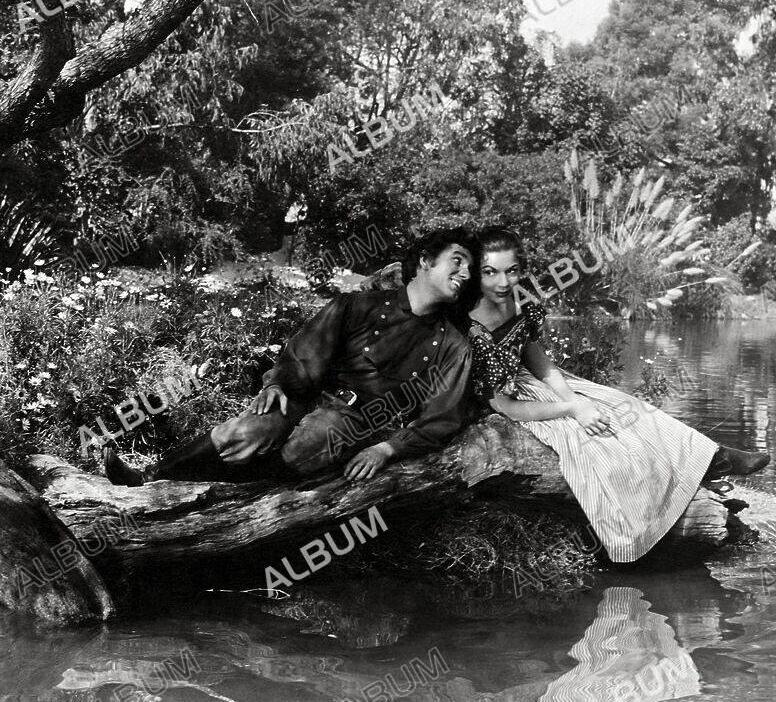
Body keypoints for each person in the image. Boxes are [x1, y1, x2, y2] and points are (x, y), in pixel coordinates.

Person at [465, 227, 770, 563]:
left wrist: (574, 396)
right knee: (597, 442)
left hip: (535, 383)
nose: (503, 282)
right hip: (513, 402)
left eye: (511, 271)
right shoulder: (471, 326)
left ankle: (712, 459)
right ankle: (638, 533)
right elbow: (505, 406)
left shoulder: (519, 303)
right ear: (475, 273)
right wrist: (571, 409)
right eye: (490, 272)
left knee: (628, 407)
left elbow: (538, 361)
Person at [104, 231, 474, 487]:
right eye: (457, 261)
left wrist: (387, 448)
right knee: (247, 431)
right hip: (305, 396)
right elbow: (304, 352)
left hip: (356, 421)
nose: (465, 273)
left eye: (471, 268)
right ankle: (148, 477)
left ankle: (220, 492)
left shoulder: (453, 346)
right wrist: (277, 384)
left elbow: (442, 419)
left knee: (306, 447)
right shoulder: (357, 305)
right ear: (425, 261)